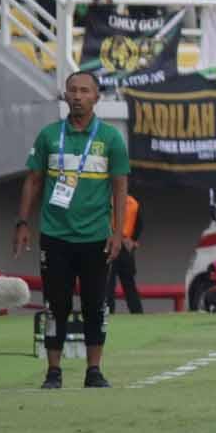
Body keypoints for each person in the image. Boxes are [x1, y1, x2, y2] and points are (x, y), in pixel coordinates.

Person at [13, 70, 129, 390]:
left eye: (84, 91)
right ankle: (53, 371)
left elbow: (120, 188)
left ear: (96, 97)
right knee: (56, 304)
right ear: (65, 96)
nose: (77, 96)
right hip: (55, 235)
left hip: (95, 237)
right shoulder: (49, 136)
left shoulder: (111, 139)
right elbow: (33, 181)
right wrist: (22, 222)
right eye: (72, 90)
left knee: (95, 304)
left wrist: (117, 232)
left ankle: (94, 370)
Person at [106, 193, 144, 314]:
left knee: (108, 286)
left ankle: (109, 314)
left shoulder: (108, 200)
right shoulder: (133, 203)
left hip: (111, 247)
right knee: (130, 286)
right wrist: (132, 241)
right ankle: (137, 313)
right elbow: (139, 225)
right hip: (126, 250)